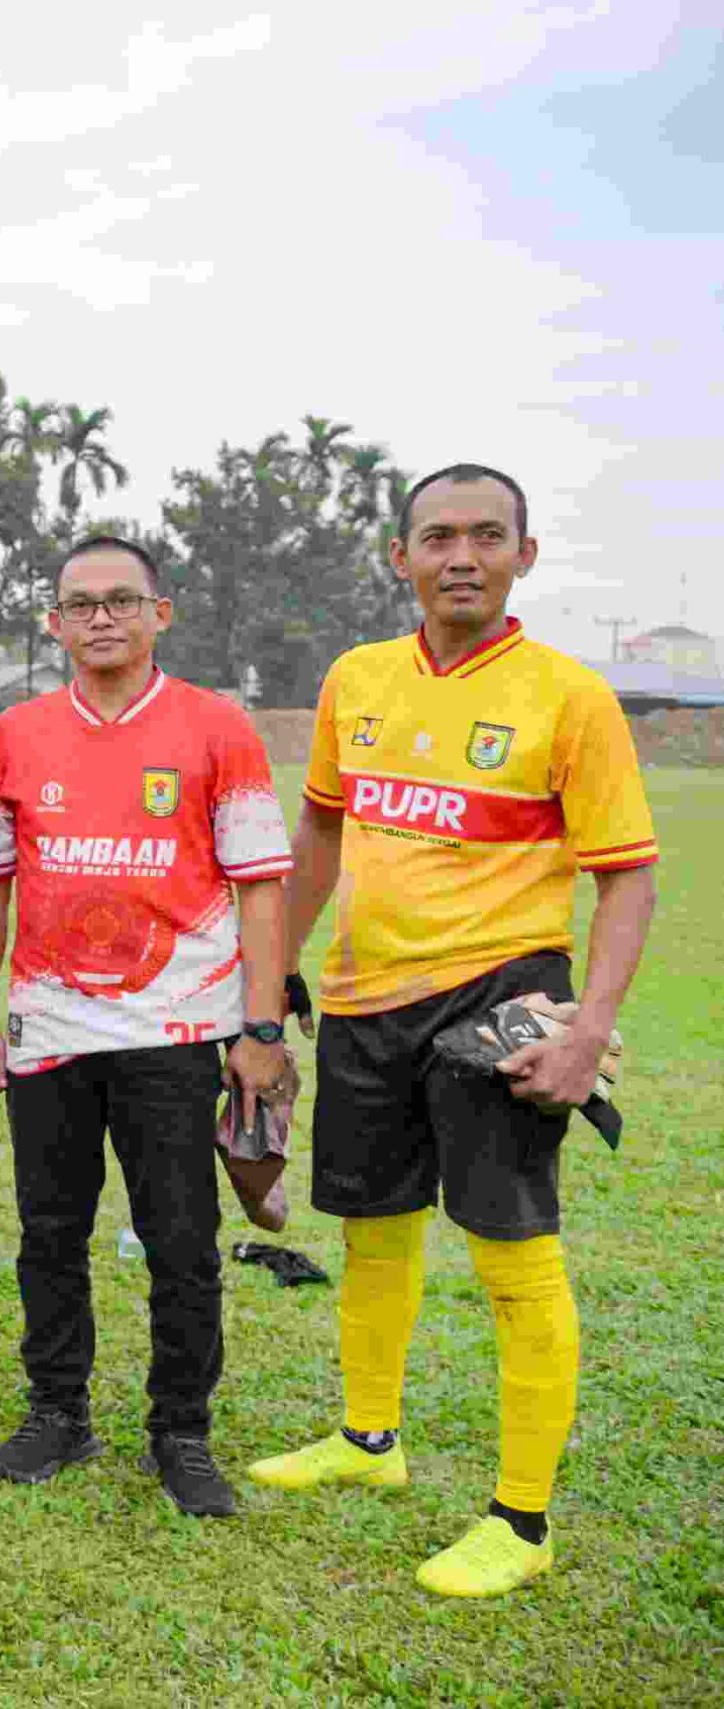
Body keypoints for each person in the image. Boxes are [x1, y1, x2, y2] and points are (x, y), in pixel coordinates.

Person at [248, 464, 659, 1596]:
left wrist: (589, 1033)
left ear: (524, 553)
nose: (460, 555)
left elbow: (626, 881)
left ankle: (520, 1520)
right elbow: (322, 827)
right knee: (373, 1229)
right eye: (437, 536)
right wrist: (277, 958)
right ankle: (367, 1439)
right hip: (364, 997)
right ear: (400, 556)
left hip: (498, 1000)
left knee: (512, 1255)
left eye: (487, 535)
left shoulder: (569, 695)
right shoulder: (356, 678)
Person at [0, 536, 295, 1518]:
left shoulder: (215, 725)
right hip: (49, 1025)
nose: (99, 617)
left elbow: (260, 890)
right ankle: (56, 1410)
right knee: (49, 1228)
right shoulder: (14, 735)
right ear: (53, 622)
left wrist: (261, 1024)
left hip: (177, 1022)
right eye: (79, 603)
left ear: (160, 612)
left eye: (119, 599)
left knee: (180, 1235)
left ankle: (179, 1429)